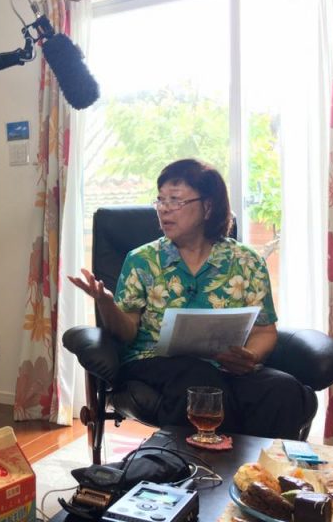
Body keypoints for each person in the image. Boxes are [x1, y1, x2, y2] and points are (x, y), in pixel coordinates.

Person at [68, 158, 313, 440]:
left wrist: (250, 357)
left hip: (225, 367)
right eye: (160, 200)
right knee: (199, 382)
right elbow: (126, 332)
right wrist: (105, 303)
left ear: (207, 207)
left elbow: (264, 331)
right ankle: (199, 465)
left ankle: (259, 467)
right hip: (154, 363)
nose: (164, 209)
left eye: (175, 200)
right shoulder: (142, 260)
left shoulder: (246, 261)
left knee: (283, 390)